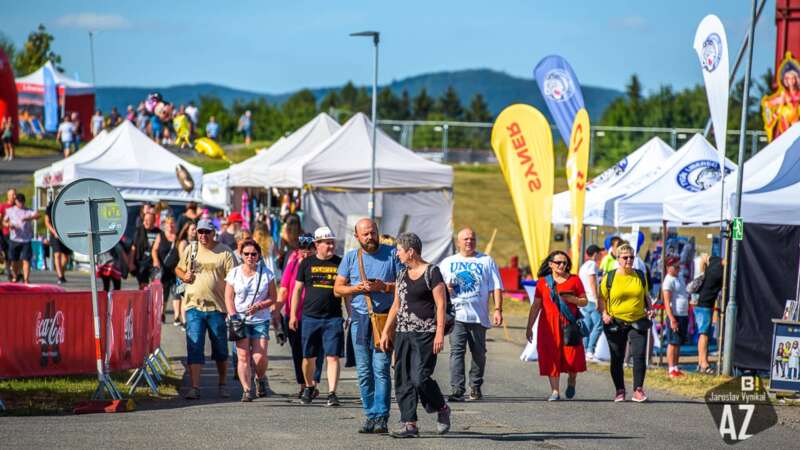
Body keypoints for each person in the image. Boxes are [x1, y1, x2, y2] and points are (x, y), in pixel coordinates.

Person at [379, 232, 451, 437]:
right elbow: (396, 305)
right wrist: (386, 332)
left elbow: (441, 304)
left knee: (420, 377)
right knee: (402, 378)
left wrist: (439, 333)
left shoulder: (432, 271)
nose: (397, 254)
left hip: (426, 333)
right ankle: (409, 423)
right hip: (402, 333)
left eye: (399, 250)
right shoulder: (401, 274)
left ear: (411, 251)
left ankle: (441, 408)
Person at [334, 218, 400, 434]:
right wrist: (356, 289)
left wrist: (384, 287)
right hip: (360, 320)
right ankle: (370, 415)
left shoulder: (392, 254)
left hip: (384, 320)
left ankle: (381, 416)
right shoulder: (352, 258)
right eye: (365, 234)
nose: (370, 237)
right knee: (364, 371)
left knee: (380, 368)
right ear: (357, 237)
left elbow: (404, 285)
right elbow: (337, 289)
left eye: (373, 232)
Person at [438, 227, 503, 402]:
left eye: (472, 239)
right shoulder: (447, 263)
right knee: (457, 352)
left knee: (478, 353)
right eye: (465, 239)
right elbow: (435, 287)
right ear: (458, 242)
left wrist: (498, 309)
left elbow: (496, 286)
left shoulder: (486, 261)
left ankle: (475, 386)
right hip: (456, 315)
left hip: (479, 316)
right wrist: (446, 289)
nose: (469, 242)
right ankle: (457, 389)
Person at [175, 219, 235, 399]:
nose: (203, 235)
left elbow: (233, 279)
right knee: (194, 347)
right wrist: (184, 276)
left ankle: (223, 384)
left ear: (213, 233)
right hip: (193, 307)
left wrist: (233, 306)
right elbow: (178, 269)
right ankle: (195, 387)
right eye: (200, 232)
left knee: (221, 349)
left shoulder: (225, 252)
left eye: (206, 232)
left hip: (217, 308)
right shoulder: (191, 249)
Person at [290, 226, 344, 407]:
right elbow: (297, 290)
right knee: (308, 357)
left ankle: (332, 392)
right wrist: (292, 315)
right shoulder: (306, 263)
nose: (331, 246)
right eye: (327, 243)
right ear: (317, 244)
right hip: (310, 317)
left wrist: (350, 316)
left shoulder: (340, 262)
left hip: (333, 317)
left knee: (333, 356)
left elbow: (347, 294)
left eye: (332, 243)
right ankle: (309, 386)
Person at [525, 250, 588, 401]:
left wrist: (573, 300)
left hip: (569, 324)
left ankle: (572, 380)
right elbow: (536, 306)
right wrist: (529, 327)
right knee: (550, 357)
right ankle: (555, 391)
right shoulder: (542, 282)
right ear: (551, 264)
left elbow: (585, 301)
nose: (562, 265)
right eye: (558, 262)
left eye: (565, 263)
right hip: (548, 326)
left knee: (572, 358)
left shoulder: (575, 280)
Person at [598, 243, 652, 403]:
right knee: (617, 357)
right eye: (625, 257)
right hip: (615, 322)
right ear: (618, 259)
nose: (629, 260)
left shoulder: (640, 275)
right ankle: (620, 390)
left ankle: (638, 390)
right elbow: (601, 298)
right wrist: (604, 313)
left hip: (638, 321)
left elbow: (646, 295)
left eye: (631, 257)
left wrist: (650, 308)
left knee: (639, 355)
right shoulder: (610, 276)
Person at [224, 239, 276, 402]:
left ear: (259, 255)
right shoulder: (234, 273)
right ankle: (247, 390)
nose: (250, 257)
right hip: (240, 319)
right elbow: (228, 297)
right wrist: (233, 316)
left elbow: (273, 297)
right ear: (241, 255)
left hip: (260, 319)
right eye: (246, 254)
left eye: (253, 254)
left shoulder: (266, 273)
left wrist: (260, 306)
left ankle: (260, 378)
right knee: (243, 356)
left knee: (259, 357)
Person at [278, 232, 323, 398]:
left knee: (315, 351)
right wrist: (277, 311)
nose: (305, 252)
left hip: (316, 314)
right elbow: (284, 288)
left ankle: (313, 384)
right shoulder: (293, 261)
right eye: (302, 248)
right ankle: (303, 385)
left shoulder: (321, 263)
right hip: (294, 314)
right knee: (298, 352)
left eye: (309, 248)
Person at [2, 194, 40, 284]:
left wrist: (28, 218)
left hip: (26, 239)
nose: (21, 204)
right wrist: (8, 225)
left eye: (23, 202)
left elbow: (38, 215)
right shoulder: (10, 210)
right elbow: (4, 221)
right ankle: (15, 276)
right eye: (19, 202)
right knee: (14, 260)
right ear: (16, 202)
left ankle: (26, 279)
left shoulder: (28, 210)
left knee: (26, 259)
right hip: (14, 239)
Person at [662, 257, 689, 378]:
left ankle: (676, 367)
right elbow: (667, 303)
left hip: (683, 314)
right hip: (675, 315)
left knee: (678, 342)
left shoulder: (679, 277)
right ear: (668, 268)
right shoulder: (668, 281)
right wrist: (672, 318)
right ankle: (671, 368)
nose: (679, 269)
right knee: (672, 342)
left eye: (679, 266)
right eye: (676, 267)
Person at [695, 256, 723, 374]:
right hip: (705, 304)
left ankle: (701, 362)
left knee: (704, 334)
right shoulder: (720, 270)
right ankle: (703, 363)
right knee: (704, 334)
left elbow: (704, 256)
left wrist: (703, 269)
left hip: (704, 303)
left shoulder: (714, 260)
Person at [153, 217, 182, 326]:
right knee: (164, 294)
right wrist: (156, 260)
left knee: (177, 293)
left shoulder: (179, 238)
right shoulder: (160, 236)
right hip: (164, 270)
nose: (170, 226)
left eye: (172, 223)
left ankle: (177, 317)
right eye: (168, 224)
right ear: (165, 225)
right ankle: (162, 313)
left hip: (177, 270)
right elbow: (154, 250)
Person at [578, 245, 603, 360]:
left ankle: (583, 350)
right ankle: (590, 350)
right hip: (592, 300)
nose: (601, 255)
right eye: (600, 253)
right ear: (595, 254)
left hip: (584, 299)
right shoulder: (593, 265)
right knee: (599, 325)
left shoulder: (583, 266)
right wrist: (597, 298)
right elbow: (592, 281)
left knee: (587, 326)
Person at [130, 212, 162, 290]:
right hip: (141, 263)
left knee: (155, 285)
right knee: (143, 287)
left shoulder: (159, 232)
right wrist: (130, 263)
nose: (146, 222)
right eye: (145, 220)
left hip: (154, 264)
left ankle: (154, 301)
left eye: (148, 220)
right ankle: (143, 301)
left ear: (154, 221)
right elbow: (133, 247)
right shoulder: (139, 231)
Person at [44, 199, 72, 284]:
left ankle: (62, 274)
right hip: (55, 234)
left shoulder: (66, 206)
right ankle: (60, 276)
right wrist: (54, 231)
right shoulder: (50, 207)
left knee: (66, 258)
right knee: (57, 254)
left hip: (65, 234)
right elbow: (47, 222)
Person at [0, 189, 16, 280]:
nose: (14, 196)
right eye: (12, 194)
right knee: (8, 254)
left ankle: (14, 271)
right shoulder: (3, 206)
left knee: (14, 254)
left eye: (15, 194)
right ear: (8, 196)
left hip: (18, 235)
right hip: (5, 234)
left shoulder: (18, 206)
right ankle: (10, 272)